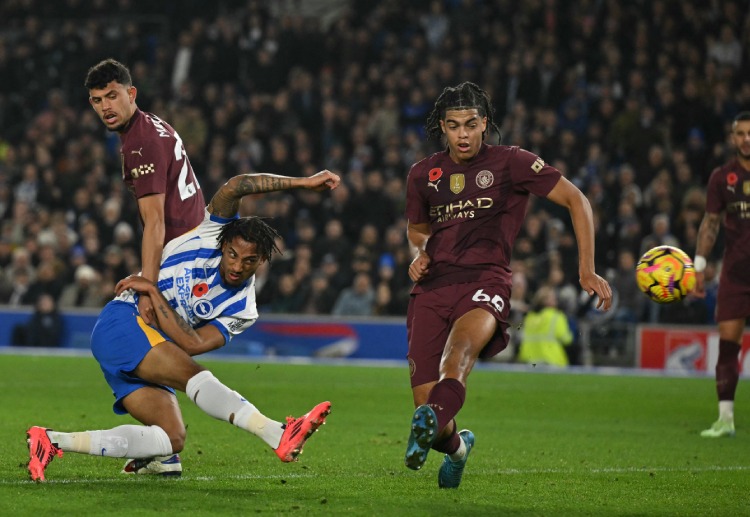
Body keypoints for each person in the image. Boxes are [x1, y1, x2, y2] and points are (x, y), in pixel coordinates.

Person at [26, 169, 341, 482]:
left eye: (248, 261)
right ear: (223, 245)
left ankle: (51, 441)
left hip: (151, 347)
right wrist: (301, 182)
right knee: (195, 376)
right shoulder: (210, 230)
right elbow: (237, 186)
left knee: (171, 440)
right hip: (123, 321)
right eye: (232, 255)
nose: (236, 265)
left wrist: (152, 290)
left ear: (261, 261)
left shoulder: (242, 308)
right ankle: (277, 433)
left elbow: (193, 344)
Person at [403, 82, 612, 488]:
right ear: (441, 128)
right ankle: (458, 449)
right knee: (429, 409)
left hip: (485, 281)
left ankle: (429, 427)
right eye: (453, 126)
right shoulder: (422, 174)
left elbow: (577, 200)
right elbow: (416, 231)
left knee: (459, 355)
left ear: (485, 124)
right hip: (431, 288)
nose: (462, 134)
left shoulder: (511, 163)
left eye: (470, 124)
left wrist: (586, 269)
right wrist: (419, 253)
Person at [85, 59, 206, 326]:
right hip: (194, 249)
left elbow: (155, 221)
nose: (105, 107)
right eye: (97, 100)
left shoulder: (141, 144)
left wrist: (148, 289)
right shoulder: (151, 125)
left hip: (181, 260)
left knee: (115, 334)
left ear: (132, 94)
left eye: (112, 96)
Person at [693, 111, 750, 438]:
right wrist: (700, 265)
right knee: (728, 346)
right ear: (732, 138)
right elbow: (711, 223)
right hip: (736, 274)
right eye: (740, 133)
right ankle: (725, 419)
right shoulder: (722, 177)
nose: (746, 139)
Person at [517, 286, 574, 367]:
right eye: (553, 298)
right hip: (552, 360)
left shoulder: (529, 317)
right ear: (545, 301)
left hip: (530, 362)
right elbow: (566, 339)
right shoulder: (556, 316)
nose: (556, 301)